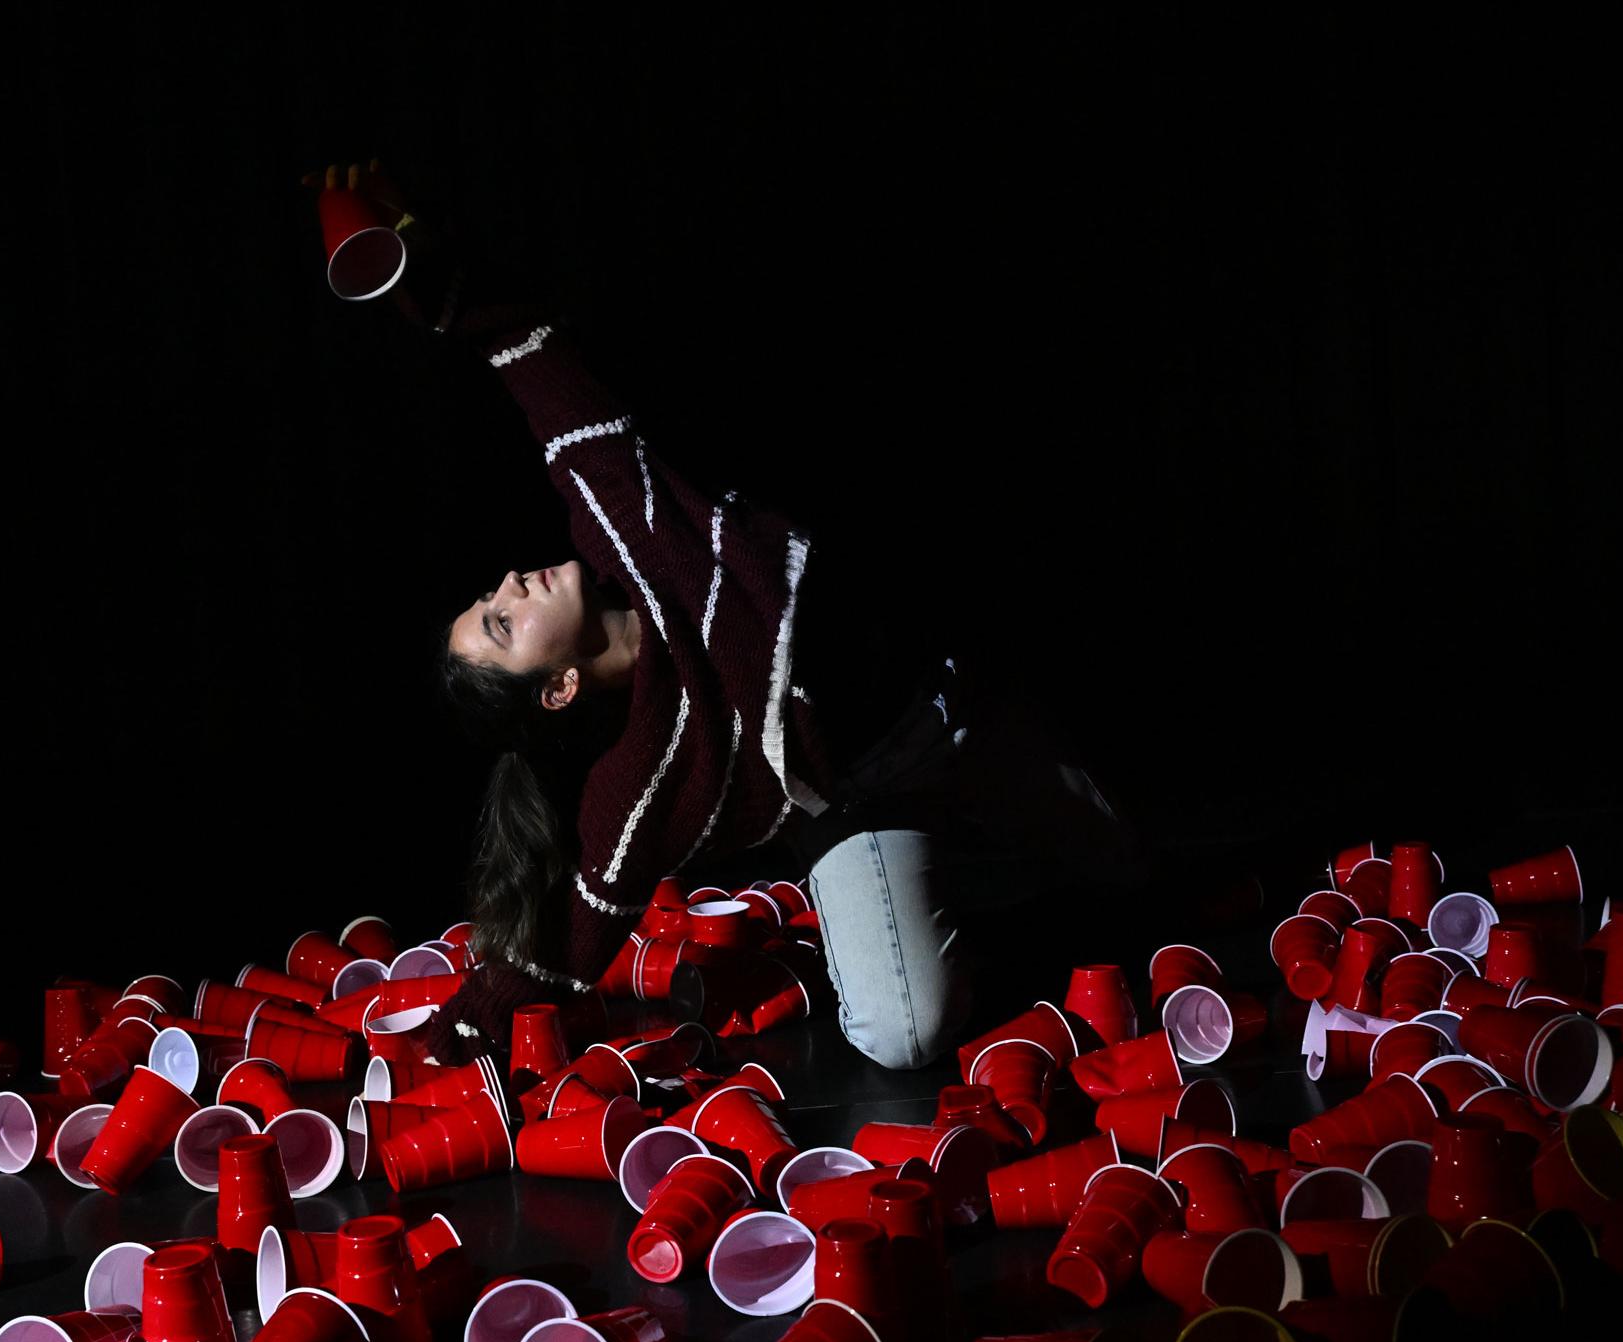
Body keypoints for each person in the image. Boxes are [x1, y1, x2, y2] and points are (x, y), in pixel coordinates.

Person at [374, 205, 1154, 1070]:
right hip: (854, 804)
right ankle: (932, 878)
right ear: (556, 687)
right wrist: (452, 1037)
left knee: (1133, 881)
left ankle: (977, 855)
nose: (511, 582)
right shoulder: (639, 774)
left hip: (956, 714)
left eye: (492, 593)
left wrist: (428, 280)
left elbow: (540, 369)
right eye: (501, 622)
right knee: (902, 1035)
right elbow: (571, 932)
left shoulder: (632, 531)